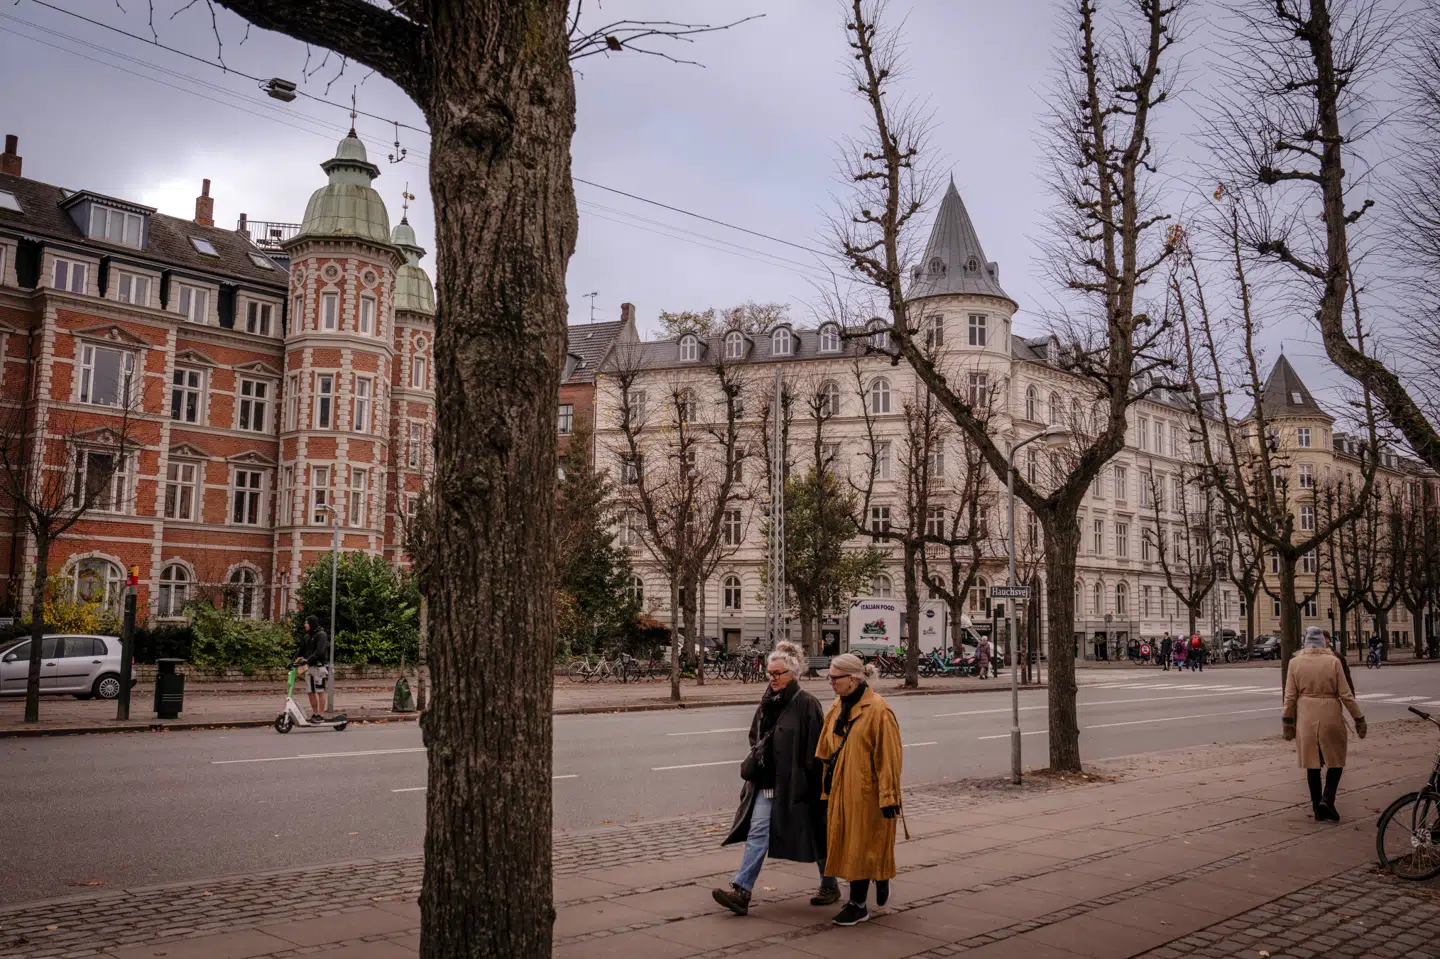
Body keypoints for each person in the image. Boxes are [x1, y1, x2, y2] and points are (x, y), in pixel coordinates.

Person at [713, 642, 838, 916]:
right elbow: (755, 735)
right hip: (766, 783)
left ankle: (829, 884)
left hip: (798, 784)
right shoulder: (767, 700)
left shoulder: (807, 704)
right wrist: (760, 757)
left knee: (815, 831)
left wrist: (813, 784)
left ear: (792, 674)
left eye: (777, 673)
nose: (771, 678)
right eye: (769, 673)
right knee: (758, 833)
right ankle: (742, 891)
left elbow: (817, 748)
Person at [816, 654, 903, 926]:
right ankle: (878, 874)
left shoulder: (879, 711)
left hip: (868, 793)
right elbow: (825, 748)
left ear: (852, 679)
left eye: (834, 678)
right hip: (841, 789)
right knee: (847, 845)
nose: (830, 682)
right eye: (829, 677)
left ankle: (858, 904)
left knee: (860, 845)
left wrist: (889, 797)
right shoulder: (837, 706)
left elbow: (889, 757)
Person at [1283, 626, 1367, 821]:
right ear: (1323, 642)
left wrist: (1287, 720)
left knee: (1312, 763)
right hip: (1330, 714)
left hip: (1306, 716)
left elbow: (1289, 696)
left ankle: (1316, 807)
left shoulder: (1295, 663)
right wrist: (1358, 718)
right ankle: (1327, 799)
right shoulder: (1333, 662)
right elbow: (1346, 694)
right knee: (1336, 760)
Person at [296, 615, 331, 723]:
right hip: (309, 668)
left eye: (306, 623)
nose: (304, 625)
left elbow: (320, 651)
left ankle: (320, 714)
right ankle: (314, 713)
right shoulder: (307, 636)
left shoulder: (321, 635)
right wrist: (294, 661)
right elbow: (301, 650)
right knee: (310, 692)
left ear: (311, 624)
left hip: (319, 668)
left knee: (320, 691)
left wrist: (308, 659)